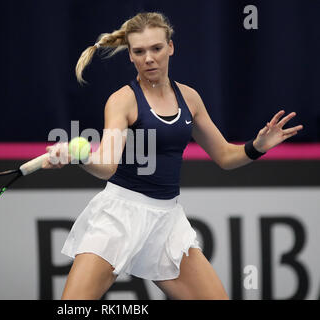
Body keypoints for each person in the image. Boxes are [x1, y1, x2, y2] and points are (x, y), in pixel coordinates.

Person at [43, 12, 303, 300]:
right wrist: (79, 156)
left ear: (170, 47)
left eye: (156, 48)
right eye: (139, 52)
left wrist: (258, 145)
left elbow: (226, 156)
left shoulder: (189, 99)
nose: (149, 58)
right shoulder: (122, 100)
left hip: (167, 221)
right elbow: (106, 166)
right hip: (119, 215)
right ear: (130, 56)